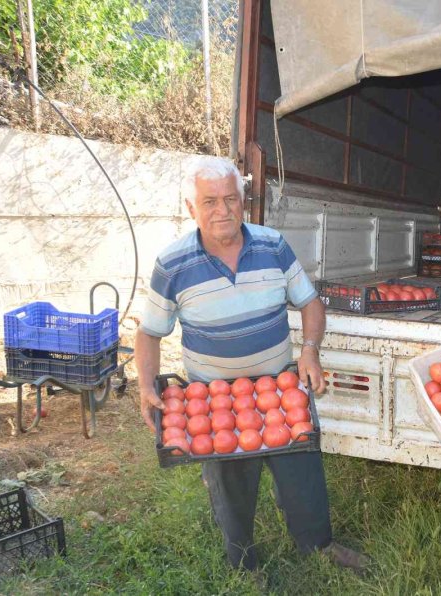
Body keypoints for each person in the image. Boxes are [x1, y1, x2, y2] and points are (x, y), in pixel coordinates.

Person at [136, 156, 367, 574]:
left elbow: (310, 302)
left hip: (279, 389)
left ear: (244, 201)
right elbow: (150, 331)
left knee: (301, 472)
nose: (222, 210)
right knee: (230, 482)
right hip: (213, 396)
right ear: (191, 209)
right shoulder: (173, 264)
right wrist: (146, 385)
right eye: (209, 202)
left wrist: (310, 349)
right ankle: (243, 562)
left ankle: (318, 543)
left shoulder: (272, 245)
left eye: (230, 199)